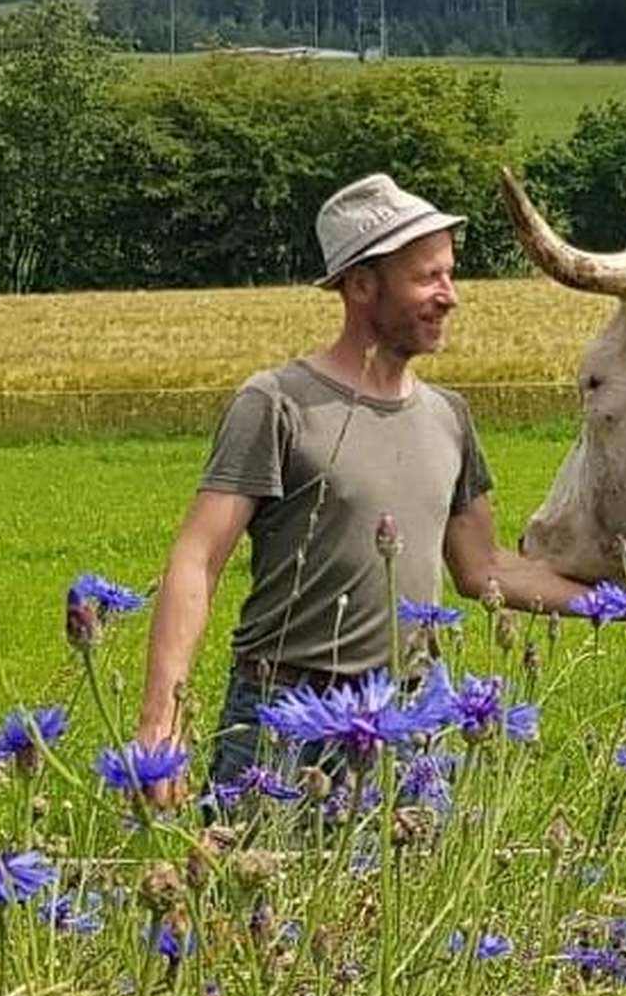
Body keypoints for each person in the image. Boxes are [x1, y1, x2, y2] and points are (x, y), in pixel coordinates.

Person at [134, 172, 593, 784]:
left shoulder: (449, 416)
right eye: (428, 277)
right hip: (287, 716)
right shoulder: (276, 402)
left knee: (414, 883)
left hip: (410, 717)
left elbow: (483, 570)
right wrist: (160, 723)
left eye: (449, 274)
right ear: (361, 284)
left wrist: (622, 602)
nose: (449, 295)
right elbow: (198, 558)